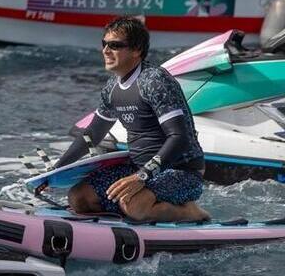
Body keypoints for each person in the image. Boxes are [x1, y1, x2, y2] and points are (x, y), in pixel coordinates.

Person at [55, 17, 209, 222]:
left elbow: (179, 138)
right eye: (104, 44)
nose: (106, 50)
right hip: (138, 167)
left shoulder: (155, 81)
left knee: (134, 206)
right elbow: (92, 134)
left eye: (115, 45)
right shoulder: (112, 87)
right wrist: (56, 169)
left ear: (137, 50)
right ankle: (140, 208)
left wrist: (142, 176)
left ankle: (192, 213)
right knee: (79, 198)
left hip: (182, 170)